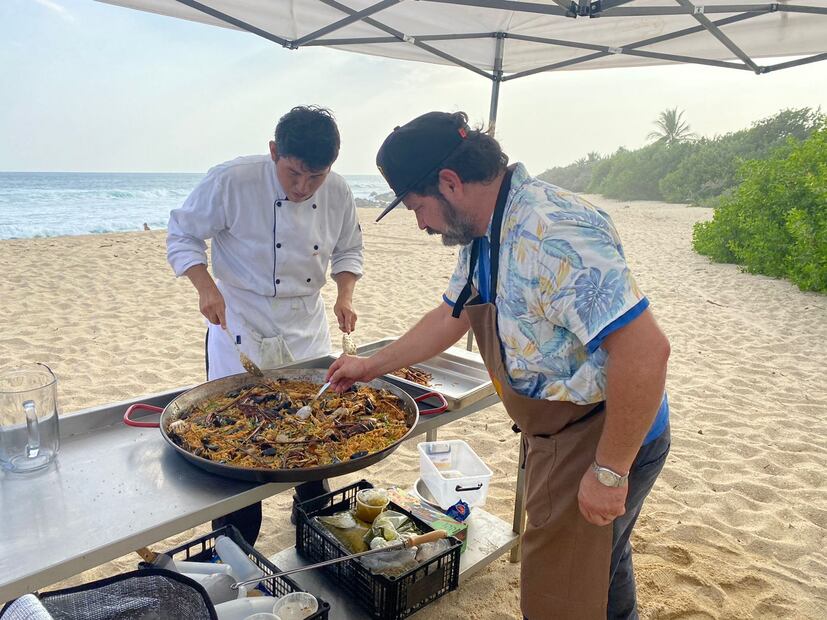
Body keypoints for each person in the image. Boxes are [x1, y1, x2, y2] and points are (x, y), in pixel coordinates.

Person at [326, 111, 671, 619]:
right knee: (603, 563)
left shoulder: (553, 232)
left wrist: (610, 471)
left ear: (449, 182)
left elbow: (645, 350)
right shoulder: (485, 231)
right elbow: (452, 314)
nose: (421, 224)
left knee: (564, 589)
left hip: (604, 434)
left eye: (418, 207)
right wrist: (370, 365)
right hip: (555, 434)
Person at [167, 105, 364, 543]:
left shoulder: (339, 192)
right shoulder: (232, 180)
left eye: (316, 177)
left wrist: (344, 294)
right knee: (238, 446)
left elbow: (349, 250)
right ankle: (235, 540)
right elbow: (182, 234)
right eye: (294, 173)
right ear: (274, 151)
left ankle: (312, 526)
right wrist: (205, 287)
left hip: (306, 326)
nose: (303, 187)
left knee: (315, 433)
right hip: (241, 320)